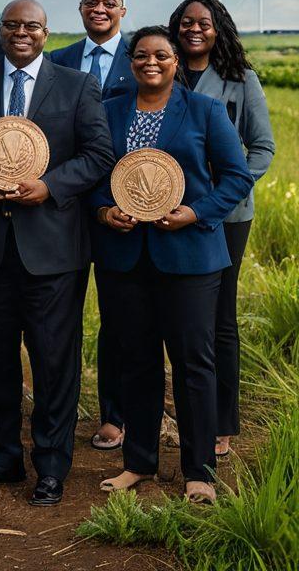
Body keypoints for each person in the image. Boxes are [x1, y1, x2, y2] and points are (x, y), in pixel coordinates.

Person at [0, 0, 114, 506]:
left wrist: (51, 186)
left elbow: (99, 155)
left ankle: (52, 466)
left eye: (32, 26)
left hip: (54, 252)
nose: (21, 33)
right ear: (2, 32)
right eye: (13, 26)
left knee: (53, 362)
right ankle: (1, 457)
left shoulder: (76, 84)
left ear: (46, 31)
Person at [92, 26, 253, 504]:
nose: (150, 62)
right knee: (136, 361)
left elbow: (236, 176)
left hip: (190, 257)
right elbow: (97, 174)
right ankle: (139, 463)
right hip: (125, 257)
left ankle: (198, 471)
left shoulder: (203, 110)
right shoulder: (110, 110)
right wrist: (104, 210)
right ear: (131, 61)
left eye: (160, 55)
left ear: (175, 60)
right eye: (140, 55)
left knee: (193, 363)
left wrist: (196, 212)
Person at [168, 0, 275, 458]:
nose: (195, 29)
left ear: (218, 29)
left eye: (204, 23)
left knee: (219, 319)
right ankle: (172, 411)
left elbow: (263, 148)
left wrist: (224, 189)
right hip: (164, 213)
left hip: (225, 217)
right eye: (187, 22)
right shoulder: (160, 74)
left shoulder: (240, 79)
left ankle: (220, 421)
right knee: (173, 317)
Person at [49, 0, 134, 452]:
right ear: (79, 8)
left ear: (123, 9)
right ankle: (58, 414)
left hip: (123, 209)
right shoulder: (57, 61)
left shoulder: (142, 57)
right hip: (65, 208)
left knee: (118, 318)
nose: (99, 9)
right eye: (90, 2)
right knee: (64, 318)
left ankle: (114, 415)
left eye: (109, 3)